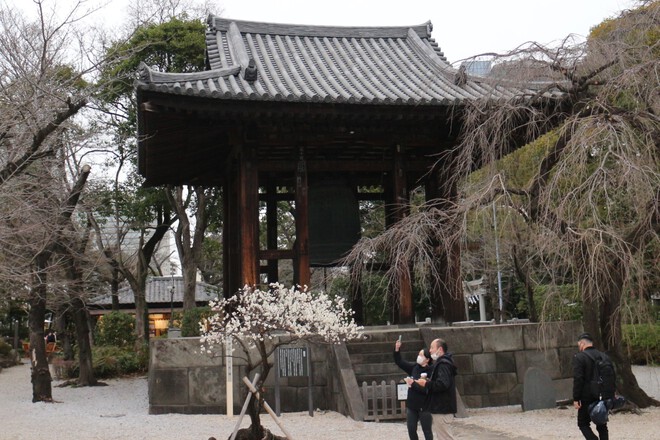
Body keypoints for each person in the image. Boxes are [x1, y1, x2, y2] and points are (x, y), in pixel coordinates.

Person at [416, 337, 457, 440]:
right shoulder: (443, 363)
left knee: (445, 437)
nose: (430, 350)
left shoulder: (443, 364)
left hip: (442, 407)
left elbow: (442, 384)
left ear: (440, 349)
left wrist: (426, 384)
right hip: (442, 407)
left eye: (432, 347)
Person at [394, 339, 433, 440]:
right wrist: (397, 349)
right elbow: (400, 362)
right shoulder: (414, 367)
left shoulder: (431, 371)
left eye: (421, 355)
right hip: (412, 405)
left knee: (427, 431)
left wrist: (413, 383)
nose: (419, 357)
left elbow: (426, 389)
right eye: (419, 354)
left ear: (427, 359)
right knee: (411, 429)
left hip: (425, 406)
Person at [573, 332, 609, 440]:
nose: (579, 347)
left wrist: (576, 398)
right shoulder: (603, 356)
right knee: (601, 423)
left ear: (582, 344)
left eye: (579, 345)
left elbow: (578, 379)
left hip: (586, 395)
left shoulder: (580, 357)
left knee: (583, 423)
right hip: (603, 394)